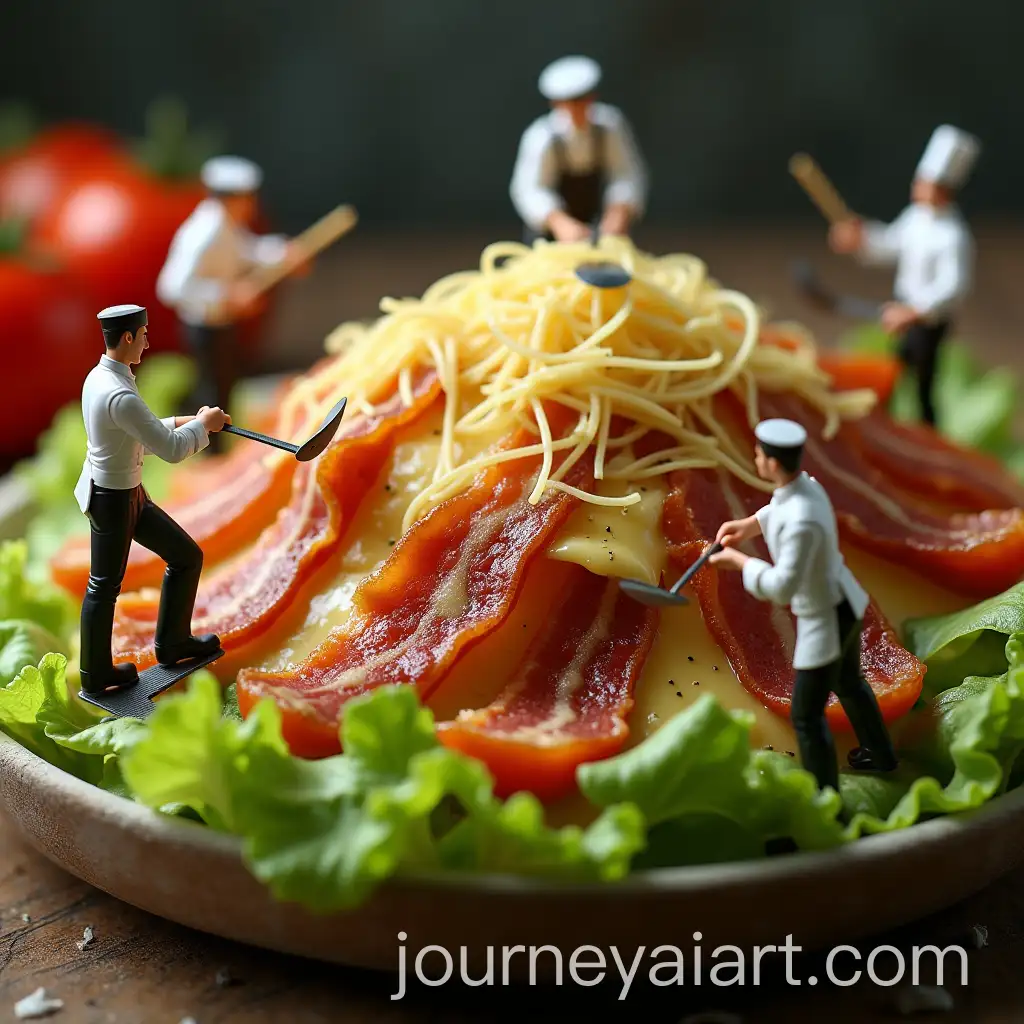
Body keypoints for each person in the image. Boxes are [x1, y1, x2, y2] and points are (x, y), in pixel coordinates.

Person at [708, 418, 898, 793]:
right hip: (844, 601)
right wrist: (748, 526)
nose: (756, 460)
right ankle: (881, 752)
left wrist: (740, 562)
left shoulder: (801, 524)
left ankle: (825, 797)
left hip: (824, 615)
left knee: (806, 715)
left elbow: (782, 586)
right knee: (850, 682)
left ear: (773, 464)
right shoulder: (807, 488)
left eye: (759, 456)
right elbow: (781, 506)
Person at [75, 305, 230, 694]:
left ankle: (173, 643)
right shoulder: (118, 393)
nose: (148, 341)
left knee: (185, 556)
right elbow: (172, 451)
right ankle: (95, 673)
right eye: (144, 334)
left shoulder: (101, 378)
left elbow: (131, 434)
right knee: (103, 586)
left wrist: (185, 421)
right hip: (114, 500)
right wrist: (203, 427)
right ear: (127, 338)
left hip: (127, 492)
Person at [828, 125, 979, 426]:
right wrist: (861, 237)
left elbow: (953, 286)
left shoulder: (954, 236)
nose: (917, 187)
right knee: (894, 372)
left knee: (923, 383)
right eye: (919, 181)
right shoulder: (915, 217)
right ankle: (886, 425)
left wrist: (914, 311)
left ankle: (928, 436)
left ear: (943, 190)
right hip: (902, 308)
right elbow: (889, 244)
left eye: (925, 183)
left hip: (926, 320)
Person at [156, 155, 297, 453]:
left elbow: (248, 250)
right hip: (204, 326)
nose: (252, 205)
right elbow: (171, 287)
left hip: (223, 324)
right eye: (247, 198)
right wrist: (226, 295)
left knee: (225, 386)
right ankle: (208, 452)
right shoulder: (202, 233)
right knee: (212, 391)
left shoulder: (227, 225)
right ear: (229, 199)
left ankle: (213, 445)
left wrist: (282, 252)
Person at [510, 55, 647, 245]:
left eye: (582, 101)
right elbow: (529, 189)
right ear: (556, 104)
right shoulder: (541, 137)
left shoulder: (610, 127)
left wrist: (619, 211)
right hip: (550, 237)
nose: (577, 109)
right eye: (570, 103)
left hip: (601, 229)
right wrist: (558, 222)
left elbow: (626, 172)